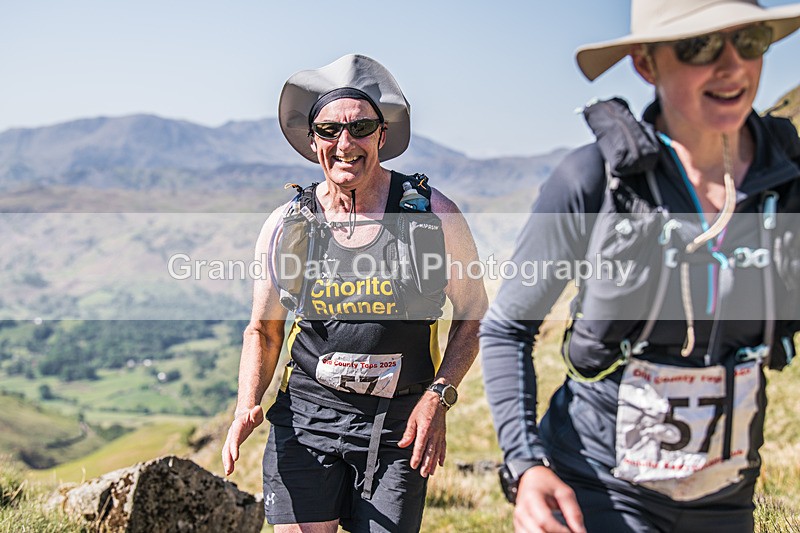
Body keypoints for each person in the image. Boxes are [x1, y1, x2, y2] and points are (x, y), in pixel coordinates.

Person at [480, 1, 800, 532]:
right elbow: (509, 328)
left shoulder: (788, 183)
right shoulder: (591, 179)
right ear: (645, 64)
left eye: (749, 41)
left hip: (728, 495)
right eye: (699, 46)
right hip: (598, 488)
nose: (731, 66)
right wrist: (525, 464)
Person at [221, 54, 487, 533]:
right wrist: (247, 405)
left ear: (382, 137)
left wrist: (438, 397)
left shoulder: (432, 216)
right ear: (313, 141)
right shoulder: (288, 225)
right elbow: (263, 330)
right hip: (305, 419)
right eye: (329, 130)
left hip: (399, 426)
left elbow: (473, 316)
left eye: (361, 127)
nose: (346, 143)